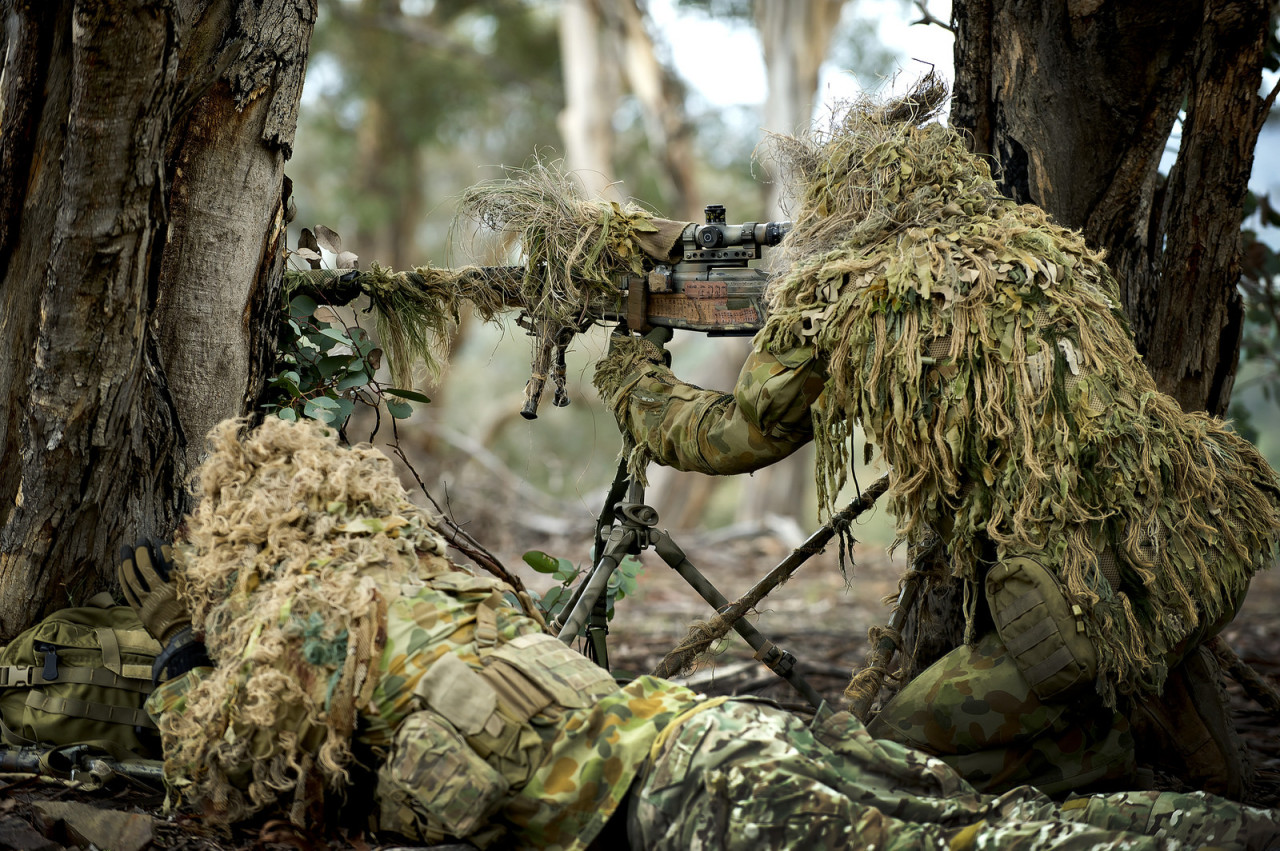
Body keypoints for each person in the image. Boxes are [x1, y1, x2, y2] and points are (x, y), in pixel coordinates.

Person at [119, 417, 1280, 850]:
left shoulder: (310, 623)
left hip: (679, 795)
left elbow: (227, 773)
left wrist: (179, 658)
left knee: (981, 846)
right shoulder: (425, 578)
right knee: (988, 823)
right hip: (708, 742)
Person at [591, 83, 1280, 799]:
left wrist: (633, 372)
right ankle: (1184, 762)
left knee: (897, 751)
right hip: (1196, 549)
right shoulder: (1044, 253)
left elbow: (734, 438)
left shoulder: (847, 287)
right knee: (1190, 724)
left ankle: (1109, 768)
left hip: (1083, 601)